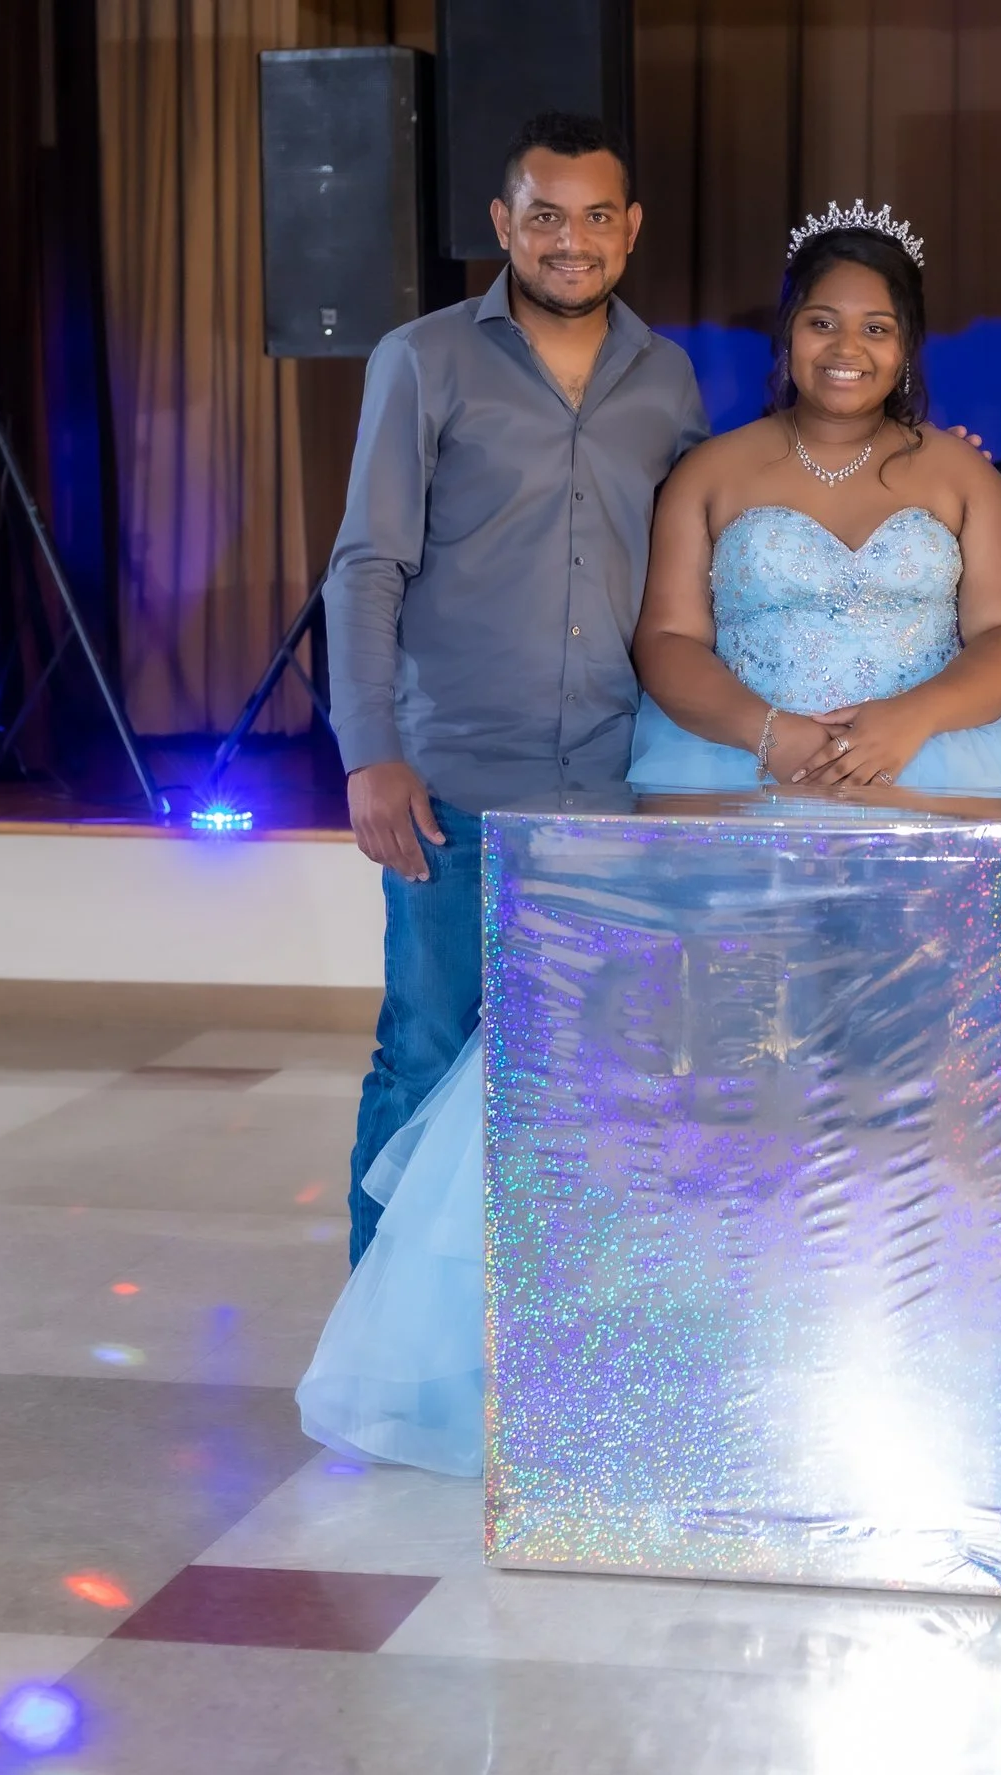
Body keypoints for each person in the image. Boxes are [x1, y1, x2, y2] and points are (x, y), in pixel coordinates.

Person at [299, 201, 1001, 1483]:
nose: (845, 347)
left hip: (926, 789)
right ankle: (702, 1363)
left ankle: (935, 1353)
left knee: (926, 1100)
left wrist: (909, 721)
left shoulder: (958, 476)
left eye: (874, 327)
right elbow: (667, 639)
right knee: (719, 1099)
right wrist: (766, 734)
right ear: (786, 337)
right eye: (822, 321)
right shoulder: (712, 469)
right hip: (734, 783)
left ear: (906, 346)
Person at [322, 112, 708, 1268]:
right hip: (453, 780)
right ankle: (382, 1320)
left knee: (597, 1074)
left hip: (614, 780)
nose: (569, 241)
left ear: (630, 230)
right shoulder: (421, 358)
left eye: (595, 217)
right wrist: (369, 749)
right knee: (425, 1052)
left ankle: (547, 1313)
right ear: (503, 223)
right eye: (544, 216)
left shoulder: (668, 376)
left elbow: (702, 555)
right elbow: (367, 564)